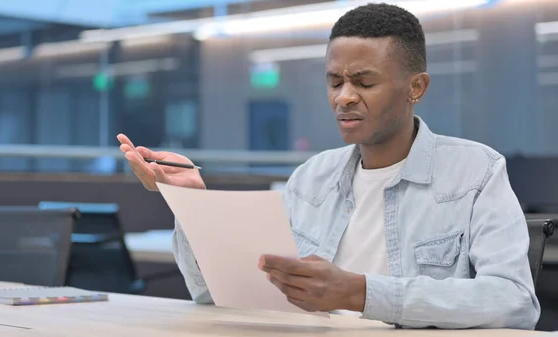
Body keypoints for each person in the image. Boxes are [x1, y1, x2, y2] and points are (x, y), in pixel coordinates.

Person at [118, 3, 539, 330]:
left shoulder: (476, 172)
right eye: (335, 82)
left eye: (364, 82)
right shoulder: (311, 178)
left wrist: (361, 293)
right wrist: (192, 207)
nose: (344, 97)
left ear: (417, 87)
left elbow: (514, 301)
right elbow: (217, 297)